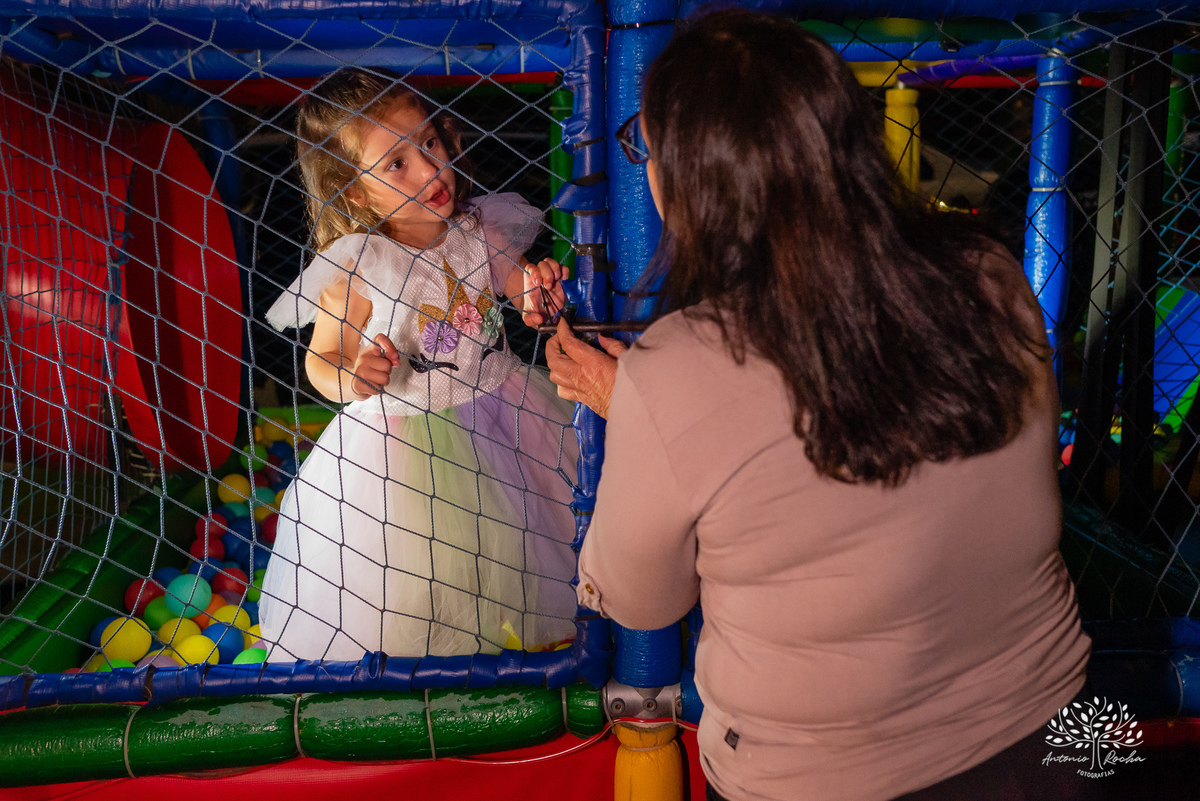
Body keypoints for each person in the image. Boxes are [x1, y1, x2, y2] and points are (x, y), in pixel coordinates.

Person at [547, 10, 1093, 801]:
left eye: (647, 145)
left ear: (691, 179)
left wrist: (642, 410)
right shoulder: (988, 273)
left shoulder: (676, 370)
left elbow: (641, 599)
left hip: (827, 778)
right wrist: (661, 412)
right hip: (1065, 740)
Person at [259, 68, 578, 661]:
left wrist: (538, 294)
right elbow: (321, 359)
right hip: (404, 448)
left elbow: (522, 294)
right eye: (396, 164)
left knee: (531, 542)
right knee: (423, 573)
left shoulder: (480, 228)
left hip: (508, 415)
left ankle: (533, 646)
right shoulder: (360, 263)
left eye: (429, 142)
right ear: (355, 192)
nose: (430, 170)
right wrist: (352, 375)